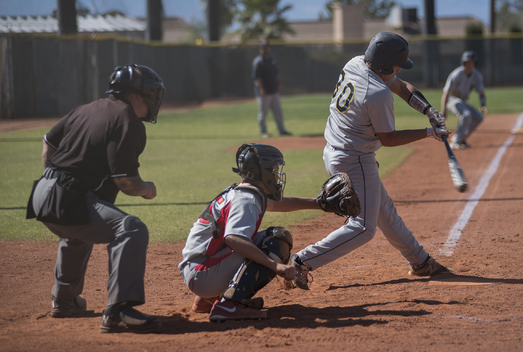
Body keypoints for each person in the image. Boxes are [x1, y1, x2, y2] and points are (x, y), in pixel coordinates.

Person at [287, 32, 450, 290]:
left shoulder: (356, 63)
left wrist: (429, 111)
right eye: (396, 66)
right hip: (355, 159)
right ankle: (299, 262)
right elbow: (389, 138)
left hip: (336, 150)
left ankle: (420, 262)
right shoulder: (375, 94)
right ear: (383, 65)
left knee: (383, 209)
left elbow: (400, 86)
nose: (398, 71)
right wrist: (429, 133)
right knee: (363, 228)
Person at [26, 64, 165, 334]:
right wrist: (147, 188)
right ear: (138, 93)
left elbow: (48, 142)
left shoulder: (86, 108)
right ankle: (119, 311)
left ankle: (64, 301)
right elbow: (125, 182)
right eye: (152, 93)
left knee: (79, 229)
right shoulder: (128, 120)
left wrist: (52, 177)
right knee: (131, 229)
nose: (154, 99)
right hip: (67, 198)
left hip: (41, 193)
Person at [179, 143, 326, 322]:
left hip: (200, 267)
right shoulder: (246, 199)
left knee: (263, 239)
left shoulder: (245, 192)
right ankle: (229, 305)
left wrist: (318, 204)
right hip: (202, 273)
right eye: (274, 169)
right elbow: (233, 239)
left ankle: (208, 299)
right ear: (262, 171)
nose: (277, 174)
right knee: (276, 240)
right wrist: (274, 265)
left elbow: (277, 204)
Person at [440, 50, 487, 149]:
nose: (469, 65)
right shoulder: (457, 74)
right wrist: (443, 110)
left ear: (474, 63)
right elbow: (446, 92)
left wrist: (483, 104)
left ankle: (460, 138)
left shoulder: (477, 76)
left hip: (462, 101)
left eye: (471, 62)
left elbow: (481, 93)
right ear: (463, 63)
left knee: (478, 117)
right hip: (452, 100)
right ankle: (456, 141)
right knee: (466, 114)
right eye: (467, 62)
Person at [252, 40, 291, 138]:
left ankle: (282, 130)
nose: (266, 49)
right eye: (264, 48)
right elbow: (258, 78)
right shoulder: (258, 62)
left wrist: (279, 85)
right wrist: (262, 89)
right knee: (263, 114)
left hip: (274, 90)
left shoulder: (272, 59)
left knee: (278, 112)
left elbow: (276, 74)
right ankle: (263, 131)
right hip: (264, 93)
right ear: (260, 49)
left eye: (267, 47)